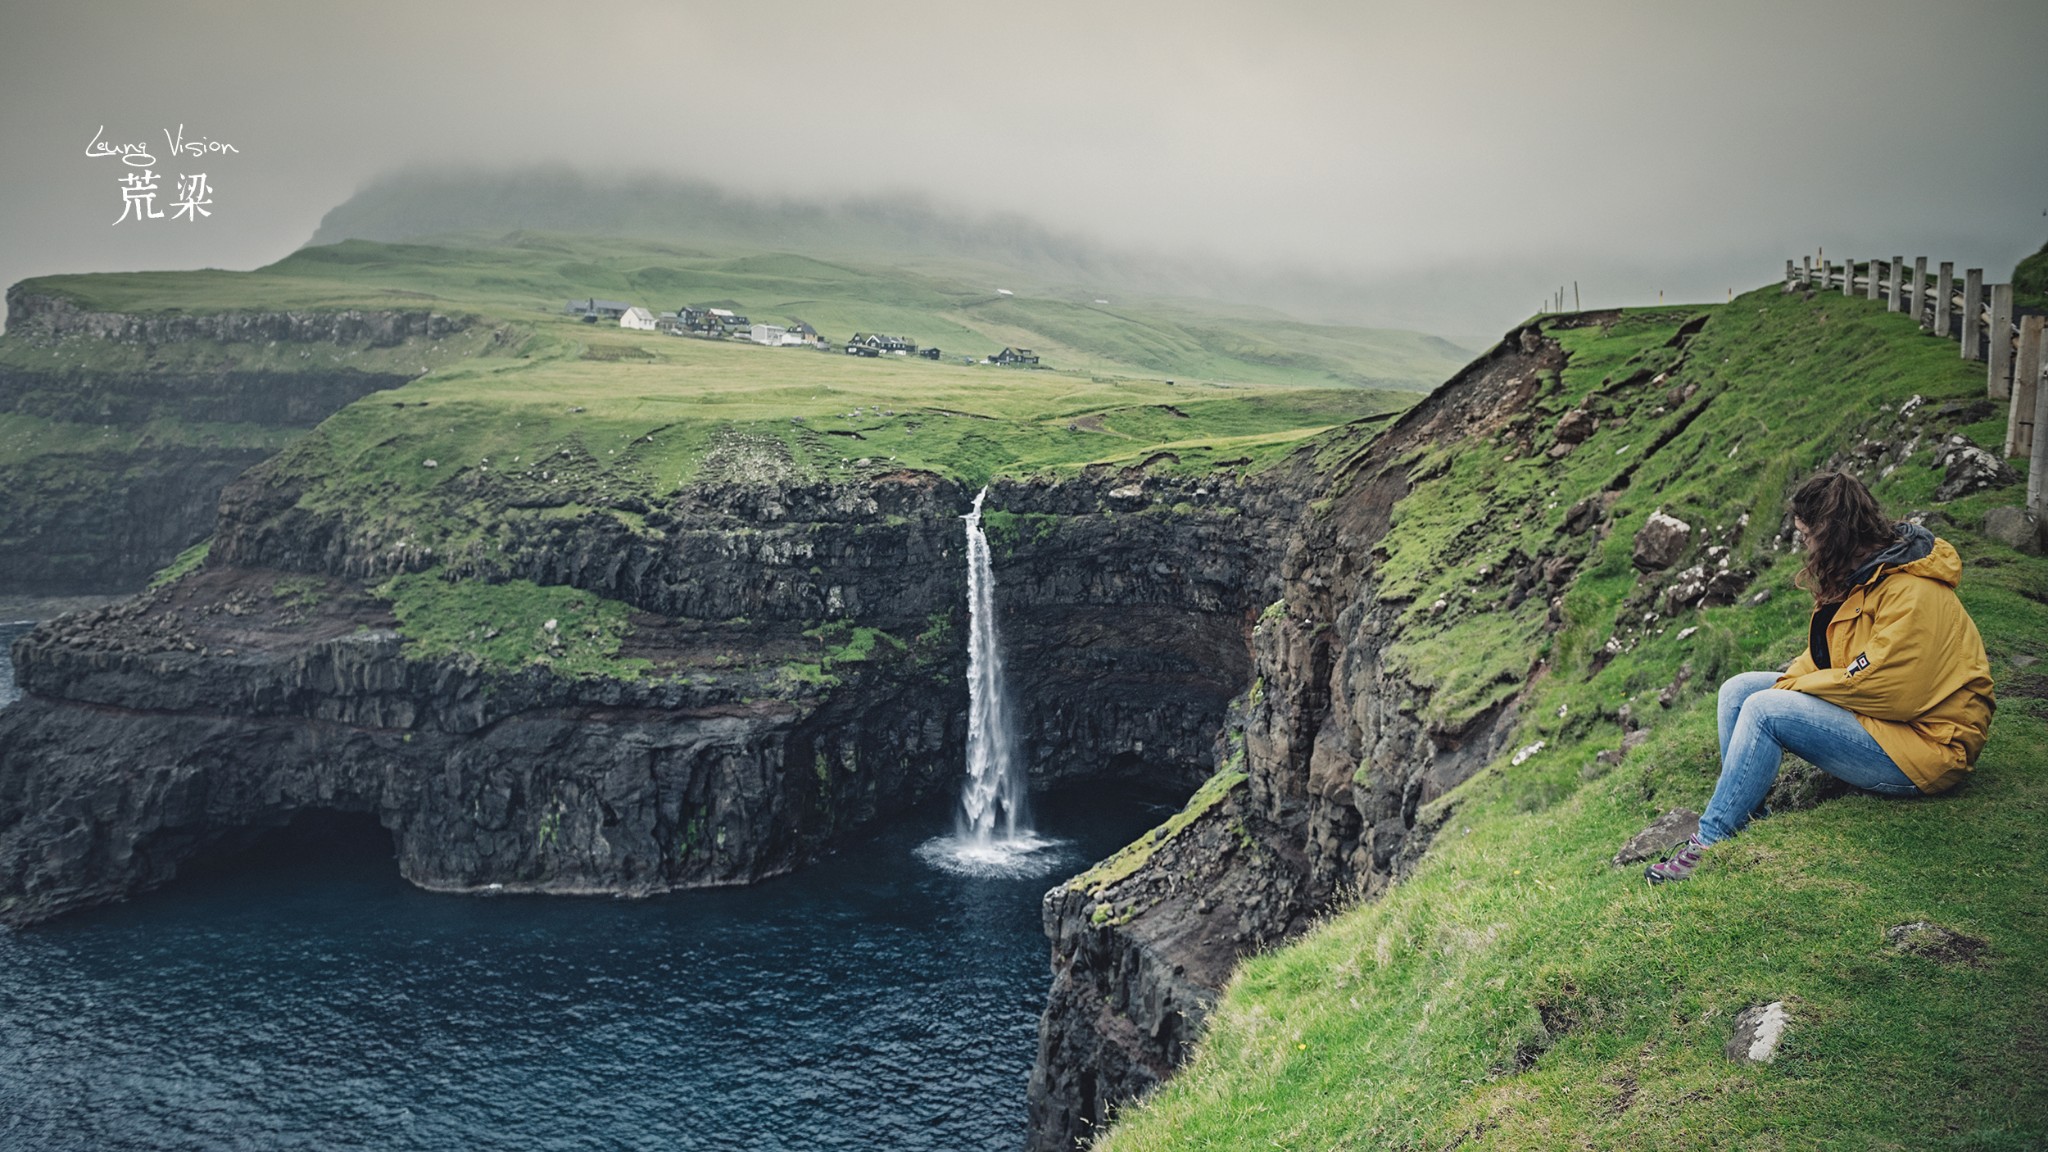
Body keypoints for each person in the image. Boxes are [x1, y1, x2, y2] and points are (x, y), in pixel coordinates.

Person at [1645, 471, 1995, 883]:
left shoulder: (1911, 591)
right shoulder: (1868, 574)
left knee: (1764, 710)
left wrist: (1795, 687)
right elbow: (1831, 656)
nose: (1804, 546)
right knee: (1739, 690)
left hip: (1929, 747)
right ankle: (1746, 810)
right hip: (1891, 726)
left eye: (1807, 535)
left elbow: (1885, 685)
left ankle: (1709, 841)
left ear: (1833, 534)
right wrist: (1793, 678)